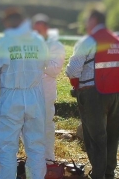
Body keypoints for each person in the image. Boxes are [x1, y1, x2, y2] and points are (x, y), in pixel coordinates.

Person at [0, 8, 50, 179]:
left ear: (6, 23)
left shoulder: (0, 45)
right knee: (36, 146)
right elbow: (45, 64)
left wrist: (7, 84)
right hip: (34, 96)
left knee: (7, 148)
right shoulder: (38, 42)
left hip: (10, 97)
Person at [66, 10, 119, 179]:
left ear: (94, 20)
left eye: (87, 20)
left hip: (92, 95)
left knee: (96, 138)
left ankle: (98, 175)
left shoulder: (89, 41)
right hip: (115, 93)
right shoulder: (116, 40)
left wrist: (75, 82)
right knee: (112, 136)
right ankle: (109, 174)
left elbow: (73, 70)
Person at [32, 13, 65, 161]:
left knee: (46, 126)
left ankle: (49, 159)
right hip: (30, 92)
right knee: (30, 127)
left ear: (46, 29)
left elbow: (54, 69)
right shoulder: (29, 44)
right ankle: (33, 159)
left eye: (40, 30)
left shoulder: (56, 46)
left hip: (46, 92)